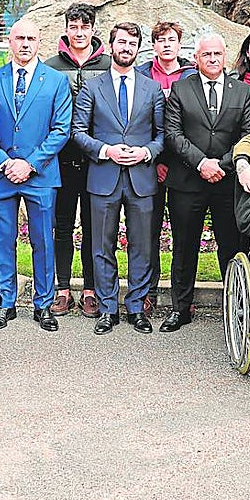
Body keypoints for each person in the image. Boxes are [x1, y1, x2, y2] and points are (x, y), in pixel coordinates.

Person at [0, 18, 73, 332]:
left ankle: (44, 304)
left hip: (40, 175)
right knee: (4, 239)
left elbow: (61, 130)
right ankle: (6, 302)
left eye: (31, 38)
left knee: (43, 240)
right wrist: (5, 162)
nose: (25, 44)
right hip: (0, 175)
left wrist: (29, 164)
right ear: (10, 41)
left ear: (39, 41)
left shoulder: (56, 81)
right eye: (20, 38)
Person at [71, 22, 165, 335]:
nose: (126, 48)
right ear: (111, 46)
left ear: (138, 50)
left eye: (132, 44)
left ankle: (137, 308)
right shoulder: (93, 87)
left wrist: (146, 153)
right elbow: (78, 132)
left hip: (141, 177)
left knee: (142, 246)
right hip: (103, 176)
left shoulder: (151, 88)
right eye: (121, 43)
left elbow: (163, 135)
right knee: (101, 245)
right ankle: (108, 308)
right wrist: (106, 150)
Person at [161, 32, 250, 332]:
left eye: (217, 54)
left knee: (231, 248)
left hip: (227, 184)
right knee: (184, 248)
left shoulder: (241, 92)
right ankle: (181, 308)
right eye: (206, 55)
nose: (212, 60)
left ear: (224, 56)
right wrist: (201, 163)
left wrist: (222, 165)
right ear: (196, 58)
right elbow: (173, 133)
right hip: (187, 181)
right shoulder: (180, 88)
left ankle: (235, 306)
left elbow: (247, 135)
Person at [45, 2, 111, 317]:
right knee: (61, 226)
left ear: (93, 29)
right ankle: (62, 288)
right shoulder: (50, 66)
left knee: (93, 227)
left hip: (98, 160)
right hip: (60, 160)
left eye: (85, 27)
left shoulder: (109, 65)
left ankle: (90, 289)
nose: (79, 32)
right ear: (66, 29)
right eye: (74, 26)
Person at [136, 21, 197, 316]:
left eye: (171, 39)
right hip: (149, 164)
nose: (166, 45)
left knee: (183, 235)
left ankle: (182, 298)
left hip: (184, 167)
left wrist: (174, 163)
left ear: (179, 44)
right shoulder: (142, 74)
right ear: (154, 45)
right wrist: (156, 160)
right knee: (148, 231)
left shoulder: (192, 75)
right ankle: (147, 291)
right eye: (160, 40)